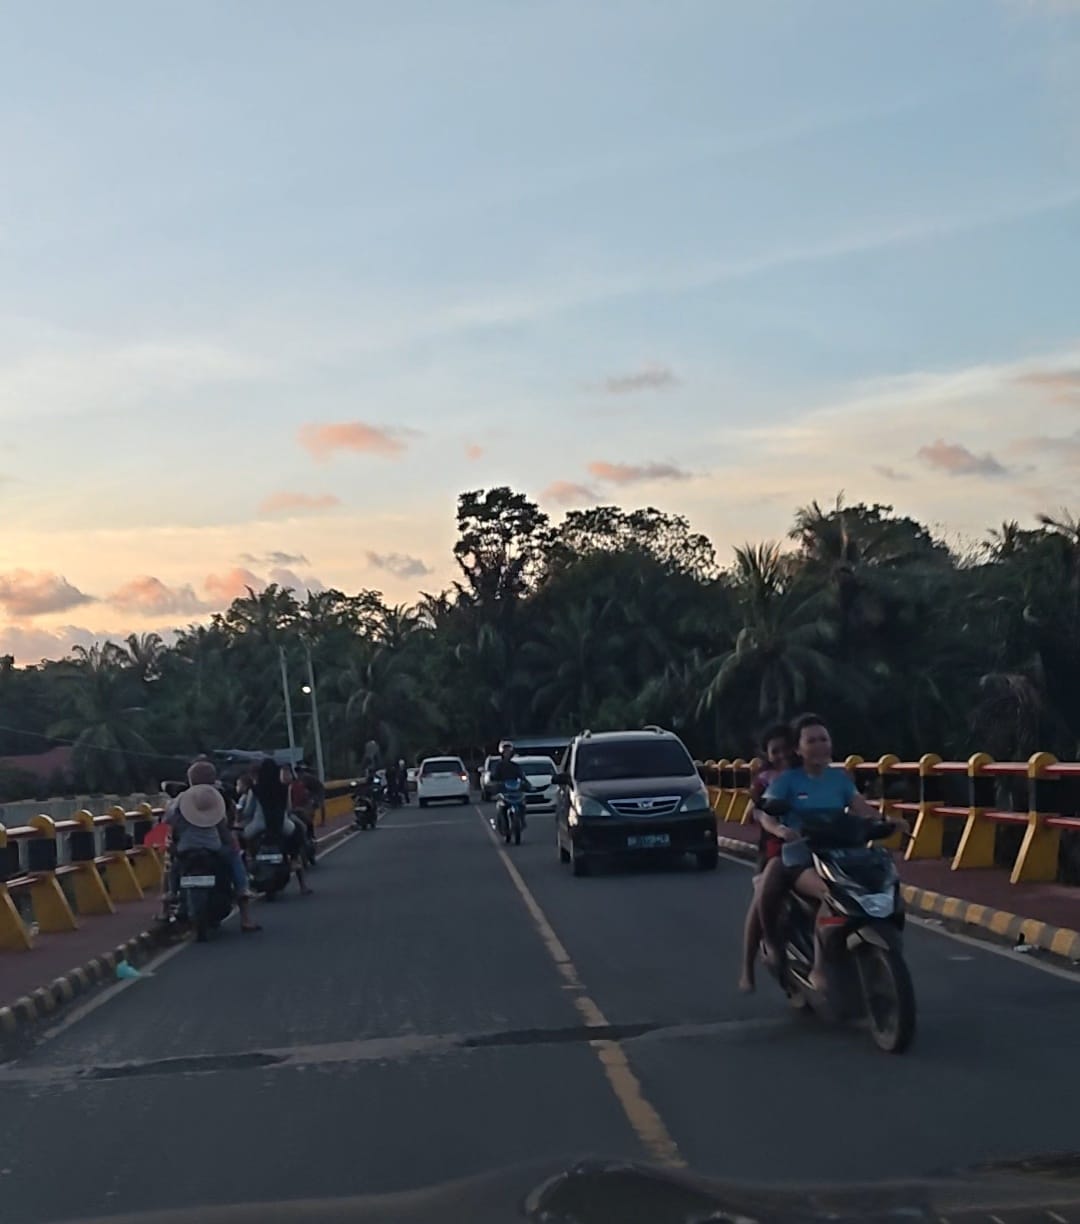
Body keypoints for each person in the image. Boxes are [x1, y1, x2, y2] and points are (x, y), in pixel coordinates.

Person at [757, 713, 907, 992]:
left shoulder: (839, 780)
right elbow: (766, 813)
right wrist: (780, 831)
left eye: (823, 739)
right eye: (811, 740)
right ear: (798, 749)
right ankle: (813, 966)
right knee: (830, 894)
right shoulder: (788, 780)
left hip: (842, 852)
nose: (819, 745)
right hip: (802, 854)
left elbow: (863, 809)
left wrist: (887, 823)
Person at [166, 759, 260, 933]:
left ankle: (170, 897)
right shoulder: (217, 797)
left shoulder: (180, 799)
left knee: (173, 866)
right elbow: (223, 825)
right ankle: (245, 913)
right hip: (213, 848)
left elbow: (168, 822)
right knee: (235, 860)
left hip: (186, 849)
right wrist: (231, 841)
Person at [738, 724, 794, 993]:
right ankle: (748, 968)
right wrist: (778, 828)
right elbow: (757, 813)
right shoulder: (764, 779)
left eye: (786, 748)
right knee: (762, 898)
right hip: (774, 847)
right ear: (767, 753)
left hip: (812, 843)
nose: (782, 754)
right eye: (776, 750)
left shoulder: (808, 772)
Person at [243, 756, 312, 895]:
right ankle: (300, 878)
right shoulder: (284, 788)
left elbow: (247, 811)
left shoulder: (255, 790)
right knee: (297, 834)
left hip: (259, 826)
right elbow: (288, 807)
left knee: (241, 839)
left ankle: (250, 859)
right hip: (282, 825)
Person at [489, 740, 532, 829]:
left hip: (514, 790)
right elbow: (494, 776)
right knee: (501, 807)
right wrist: (495, 782)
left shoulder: (515, 766)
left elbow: (521, 776)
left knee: (522, 804)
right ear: (502, 753)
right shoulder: (498, 766)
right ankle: (502, 824)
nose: (507, 754)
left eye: (509, 752)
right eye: (505, 752)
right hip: (504, 790)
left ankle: (522, 820)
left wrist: (526, 783)